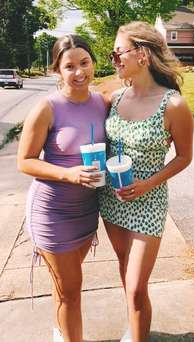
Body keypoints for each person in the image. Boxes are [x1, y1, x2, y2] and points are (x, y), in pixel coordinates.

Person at [99, 21, 193, 342]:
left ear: (142, 54)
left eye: (118, 53)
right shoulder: (114, 99)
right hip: (112, 199)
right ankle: (136, 328)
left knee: (137, 286)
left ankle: (137, 330)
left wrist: (148, 183)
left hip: (148, 201)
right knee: (127, 275)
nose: (114, 60)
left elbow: (183, 158)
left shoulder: (174, 105)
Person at [17, 34, 108, 342]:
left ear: (94, 63)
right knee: (71, 292)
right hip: (52, 212)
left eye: (85, 63)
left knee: (65, 289)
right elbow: (25, 161)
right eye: (70, 66)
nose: (79, 72)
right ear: (57, 69)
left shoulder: (102, 102)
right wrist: (68, 174)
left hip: (86, 211)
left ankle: (61, 332)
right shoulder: (47, 107)